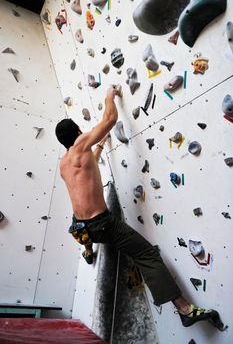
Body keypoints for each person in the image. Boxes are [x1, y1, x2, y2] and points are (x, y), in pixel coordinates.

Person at [55, 85, 225, 330]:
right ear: (78, 132)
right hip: (103, 224)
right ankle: (185, 309)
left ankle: (89, 251)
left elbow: (86, 168)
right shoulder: (81, 144)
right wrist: (109, 95)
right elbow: (110, 119)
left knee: (80, 221)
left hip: (82, 228)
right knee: (146, 254)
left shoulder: (63, 163)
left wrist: (101, 145)